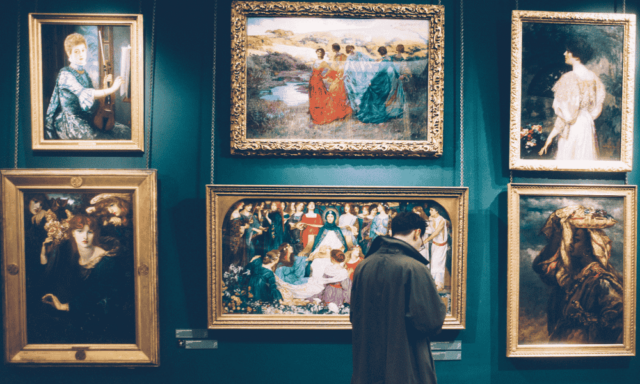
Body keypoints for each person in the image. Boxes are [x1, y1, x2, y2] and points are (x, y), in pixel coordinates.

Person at [351, 211, 446, 384]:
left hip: (366, 368)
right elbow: (430, 321)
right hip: (406, 366)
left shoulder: (363, 266)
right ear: (417, 232)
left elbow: (354, 316)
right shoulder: (414, 268)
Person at [532, 205, 623, 344]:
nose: (570, 244)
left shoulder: (601, 281)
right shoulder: (573, 278)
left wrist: (585, 321)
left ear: (589, 246)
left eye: (576, 240)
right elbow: (541, 268)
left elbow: (618, 322)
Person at [39, 214, 134, 343]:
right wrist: (44, 255)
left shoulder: (106, 261)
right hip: (77, 319)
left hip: (101, 324)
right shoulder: (72, 256)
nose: (84, 237)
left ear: (95, 234)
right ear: (72, 233)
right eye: (79, 231)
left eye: (89, 232)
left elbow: (98, 295)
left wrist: (65, 306)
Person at [44, 32, 124, 140]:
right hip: (71, 122)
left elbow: (93, 102)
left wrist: (105, 86)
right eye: (76, 52)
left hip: (87, 117)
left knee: (123, 131)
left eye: (83, 50)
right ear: (69, 54)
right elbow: (86, 93)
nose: (81, 54)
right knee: (101, 139)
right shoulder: (65, 74)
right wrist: (112, 89)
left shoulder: (85, 74)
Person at [538, 40, 606, 160]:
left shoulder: (569, 78)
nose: (565, 53)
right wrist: (585, 116)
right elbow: (597, 106)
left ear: (576, 54)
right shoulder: (593, 77)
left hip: (573, 128)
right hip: (586, 124)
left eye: (568, 51)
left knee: (569, 157)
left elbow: (568, 116)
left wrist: (551, 136)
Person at [356, 46, 406, 124]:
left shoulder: (383, 62)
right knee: (381, 99)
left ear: (380, 53)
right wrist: (398, 75)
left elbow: (378, 73)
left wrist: (371, 81)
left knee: (374, 96)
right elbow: (395, 70)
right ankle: (380, 114)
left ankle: (377, 115)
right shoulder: (389, 59)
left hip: (380, 82)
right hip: (386, 81)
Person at [308, 47, 353, 125]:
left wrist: (324, 76)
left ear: (323, 54)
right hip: (312, 81)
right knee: (313, 97)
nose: (319, 54)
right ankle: (314, 114)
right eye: (318, 52)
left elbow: (331, 69)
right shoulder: (315, 61)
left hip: (318, 81)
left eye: (320, 52)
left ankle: (321, 114)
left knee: (320, 97)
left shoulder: (324, 62)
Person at [343, 45, 376, 113]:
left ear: (353, 48)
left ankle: (366, 107)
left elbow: (367, 58)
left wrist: (373, 60)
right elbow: (347, 67)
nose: (351, 51)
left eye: (351, 49)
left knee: (365, 90)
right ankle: (360, 108)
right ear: (348, 51)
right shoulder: (349, 58)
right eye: (349, 50)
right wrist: (346, 74)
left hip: (362, 73)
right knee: (357, 92)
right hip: (355, 75)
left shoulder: (359, 53)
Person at [423, 206, 449, 291]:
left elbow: (436, 232)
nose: (430, 212)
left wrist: (426, 240)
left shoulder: (442, 220)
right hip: (435, 245)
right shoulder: (432, 219)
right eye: (430, 210)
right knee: (434, 264)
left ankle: (439, 284)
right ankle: (434, 284)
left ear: (437, 211)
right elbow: (430, 231)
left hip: (441, 246)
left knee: (438, 264)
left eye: (432, 210)